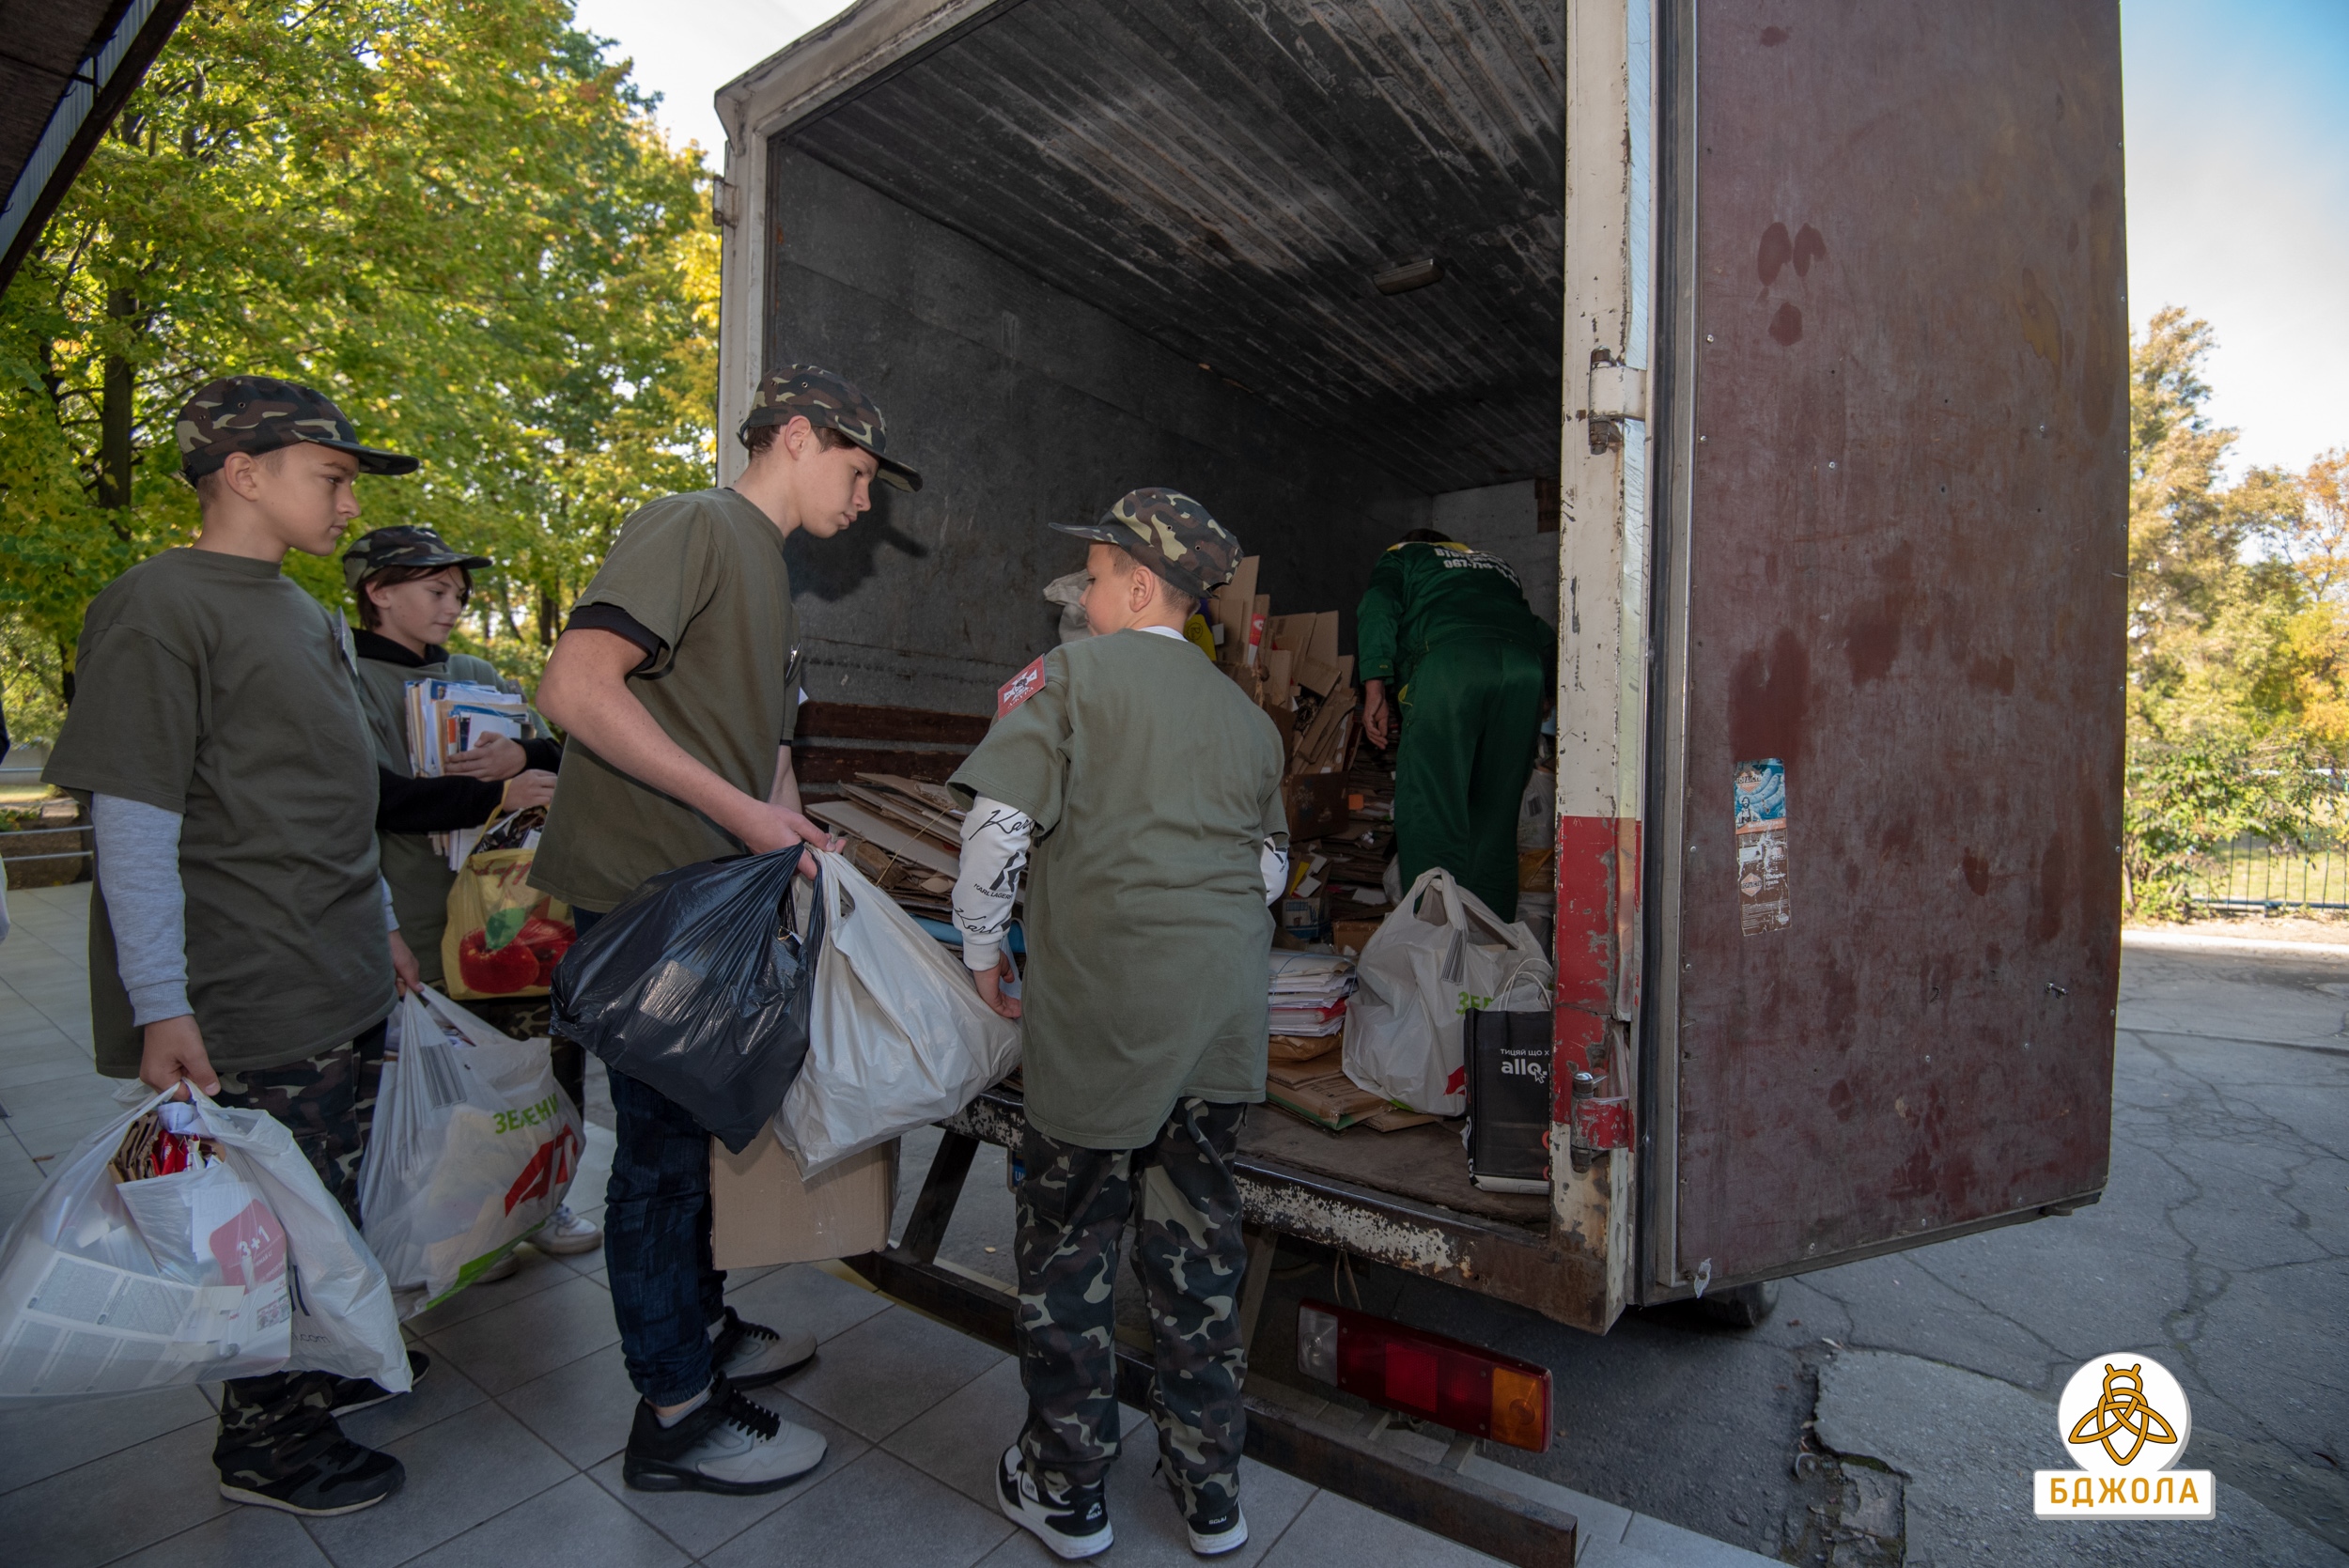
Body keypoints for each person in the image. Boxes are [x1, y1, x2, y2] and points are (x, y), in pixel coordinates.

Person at [531, 364, 920, 1495]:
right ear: (796, 436)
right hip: (654, 897)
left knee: (688, 1135)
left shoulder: (768, 573)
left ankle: (697, 1333)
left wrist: (793, 829)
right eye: (857, 474)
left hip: (709, 893)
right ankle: (674, 1412)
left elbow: (753, 743)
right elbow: (574, 685)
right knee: (653, 1161)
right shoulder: (693, 522)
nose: (864, 503)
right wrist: (750, 818)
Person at [43, 375, 426, 1515]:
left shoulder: (304, 614)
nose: (350, 504)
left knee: (330, 1209)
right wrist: (162, 1002)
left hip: (343, 966)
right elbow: (137, 820)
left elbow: (331, 795)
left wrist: (390, 929)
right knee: (270, 1229)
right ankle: (266, 1445)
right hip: (256, 987)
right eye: (334, 477)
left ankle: (318, 1374)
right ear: (243, 472)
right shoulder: (159, 608)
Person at [949, 488, 1288, 1560]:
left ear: (1140, 586)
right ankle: (1210, 1493)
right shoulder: (1246, 718)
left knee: (1069, 1258)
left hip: (1099, 1026)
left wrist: (980, 951)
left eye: (1094, 576)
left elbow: (998, 827)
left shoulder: (1065, 680)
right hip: (1217, 1032)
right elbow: (1270, 874)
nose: (1084, 595)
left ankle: (1067, 1488)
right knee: (1196, 1263)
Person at [340, 523, 601, 1265]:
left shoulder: (477, 672)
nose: (453, 605)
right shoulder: (346, 678)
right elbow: (373, 798)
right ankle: (452, 1225)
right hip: (411, 912)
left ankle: (541, 1200)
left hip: (507, 914)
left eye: (459, 592)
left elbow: (565, 750)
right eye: (435, 590)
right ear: (379, 592)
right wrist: (490, 794)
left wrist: (523, 753)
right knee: (439, 1081)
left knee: (534, 1061)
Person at [1356, 528, 1555, 920]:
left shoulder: (1403, 555)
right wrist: (1544, 691)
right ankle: (1491, 952)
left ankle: (1436, 948)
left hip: (1451, 667)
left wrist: (1374, 684)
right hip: (1522, 671)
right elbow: (1543, 634)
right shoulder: (1497, 567)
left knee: (1432, 810)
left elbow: (1378, 604)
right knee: (1496, 824)